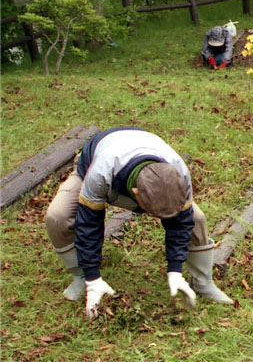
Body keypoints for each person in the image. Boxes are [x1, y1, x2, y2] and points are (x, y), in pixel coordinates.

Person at [44, 127, 233, 320]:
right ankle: (80, 277)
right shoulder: (100, 173)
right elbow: (89, 224)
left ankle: (202, 281)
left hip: (143, 154)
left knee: (196, 219)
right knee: (57, 215)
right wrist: (93, 278)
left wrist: (175, 270)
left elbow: (181, 222)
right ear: (135, 194)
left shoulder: (178, 171)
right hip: (99, 161)